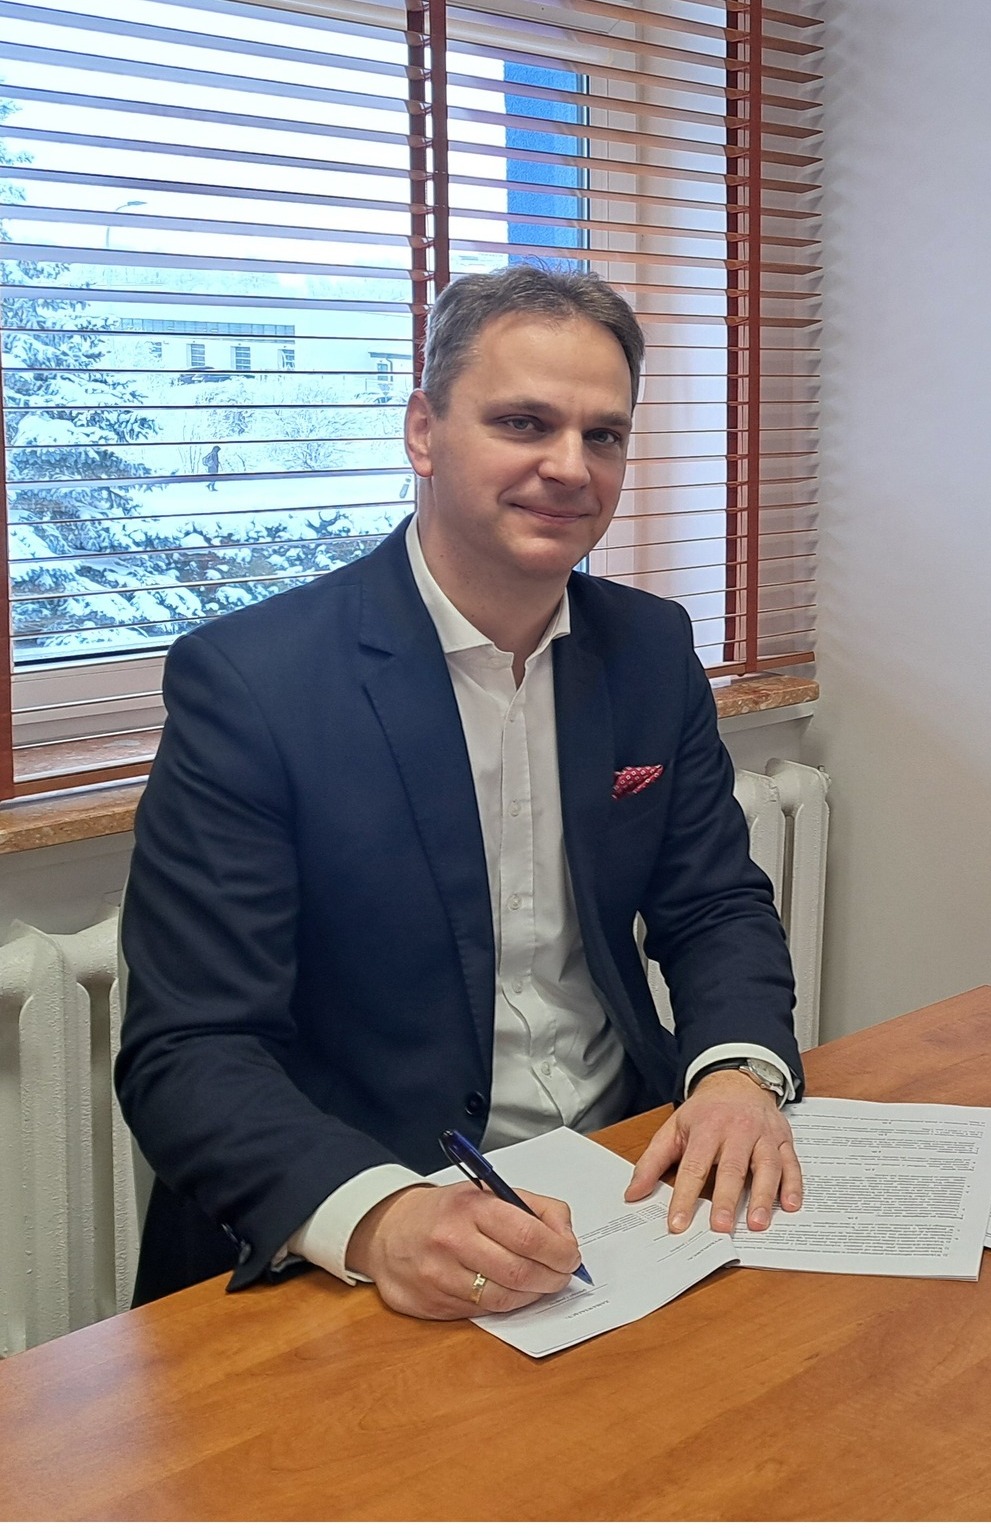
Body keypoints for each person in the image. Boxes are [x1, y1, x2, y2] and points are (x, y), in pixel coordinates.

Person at [118, 265, 806, 1322]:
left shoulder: (649, 648)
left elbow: (713, 904)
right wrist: (380, 1216)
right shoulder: (253, 682)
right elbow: (191, 1047)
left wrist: (735, 1077)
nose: (568, 467)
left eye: (603, 435)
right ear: (424, 432)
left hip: (625, 1177)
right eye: (523, 422)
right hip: (379, 1205)